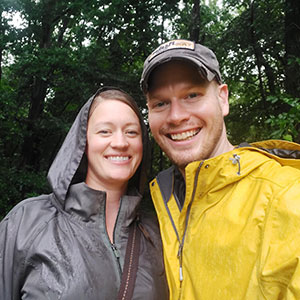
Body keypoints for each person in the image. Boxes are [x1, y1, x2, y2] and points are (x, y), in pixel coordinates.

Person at [140, 39, 300, 300]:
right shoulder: (163, 202)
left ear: (223, 98)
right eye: (160, 103)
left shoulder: (286, 196)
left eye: (192, 95)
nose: (176, 116)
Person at [0, 87, 169, 299]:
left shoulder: (158, 231)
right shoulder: (27, 222)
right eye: (105, 131)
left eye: (131, 132)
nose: (120, 143)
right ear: (83, 142)